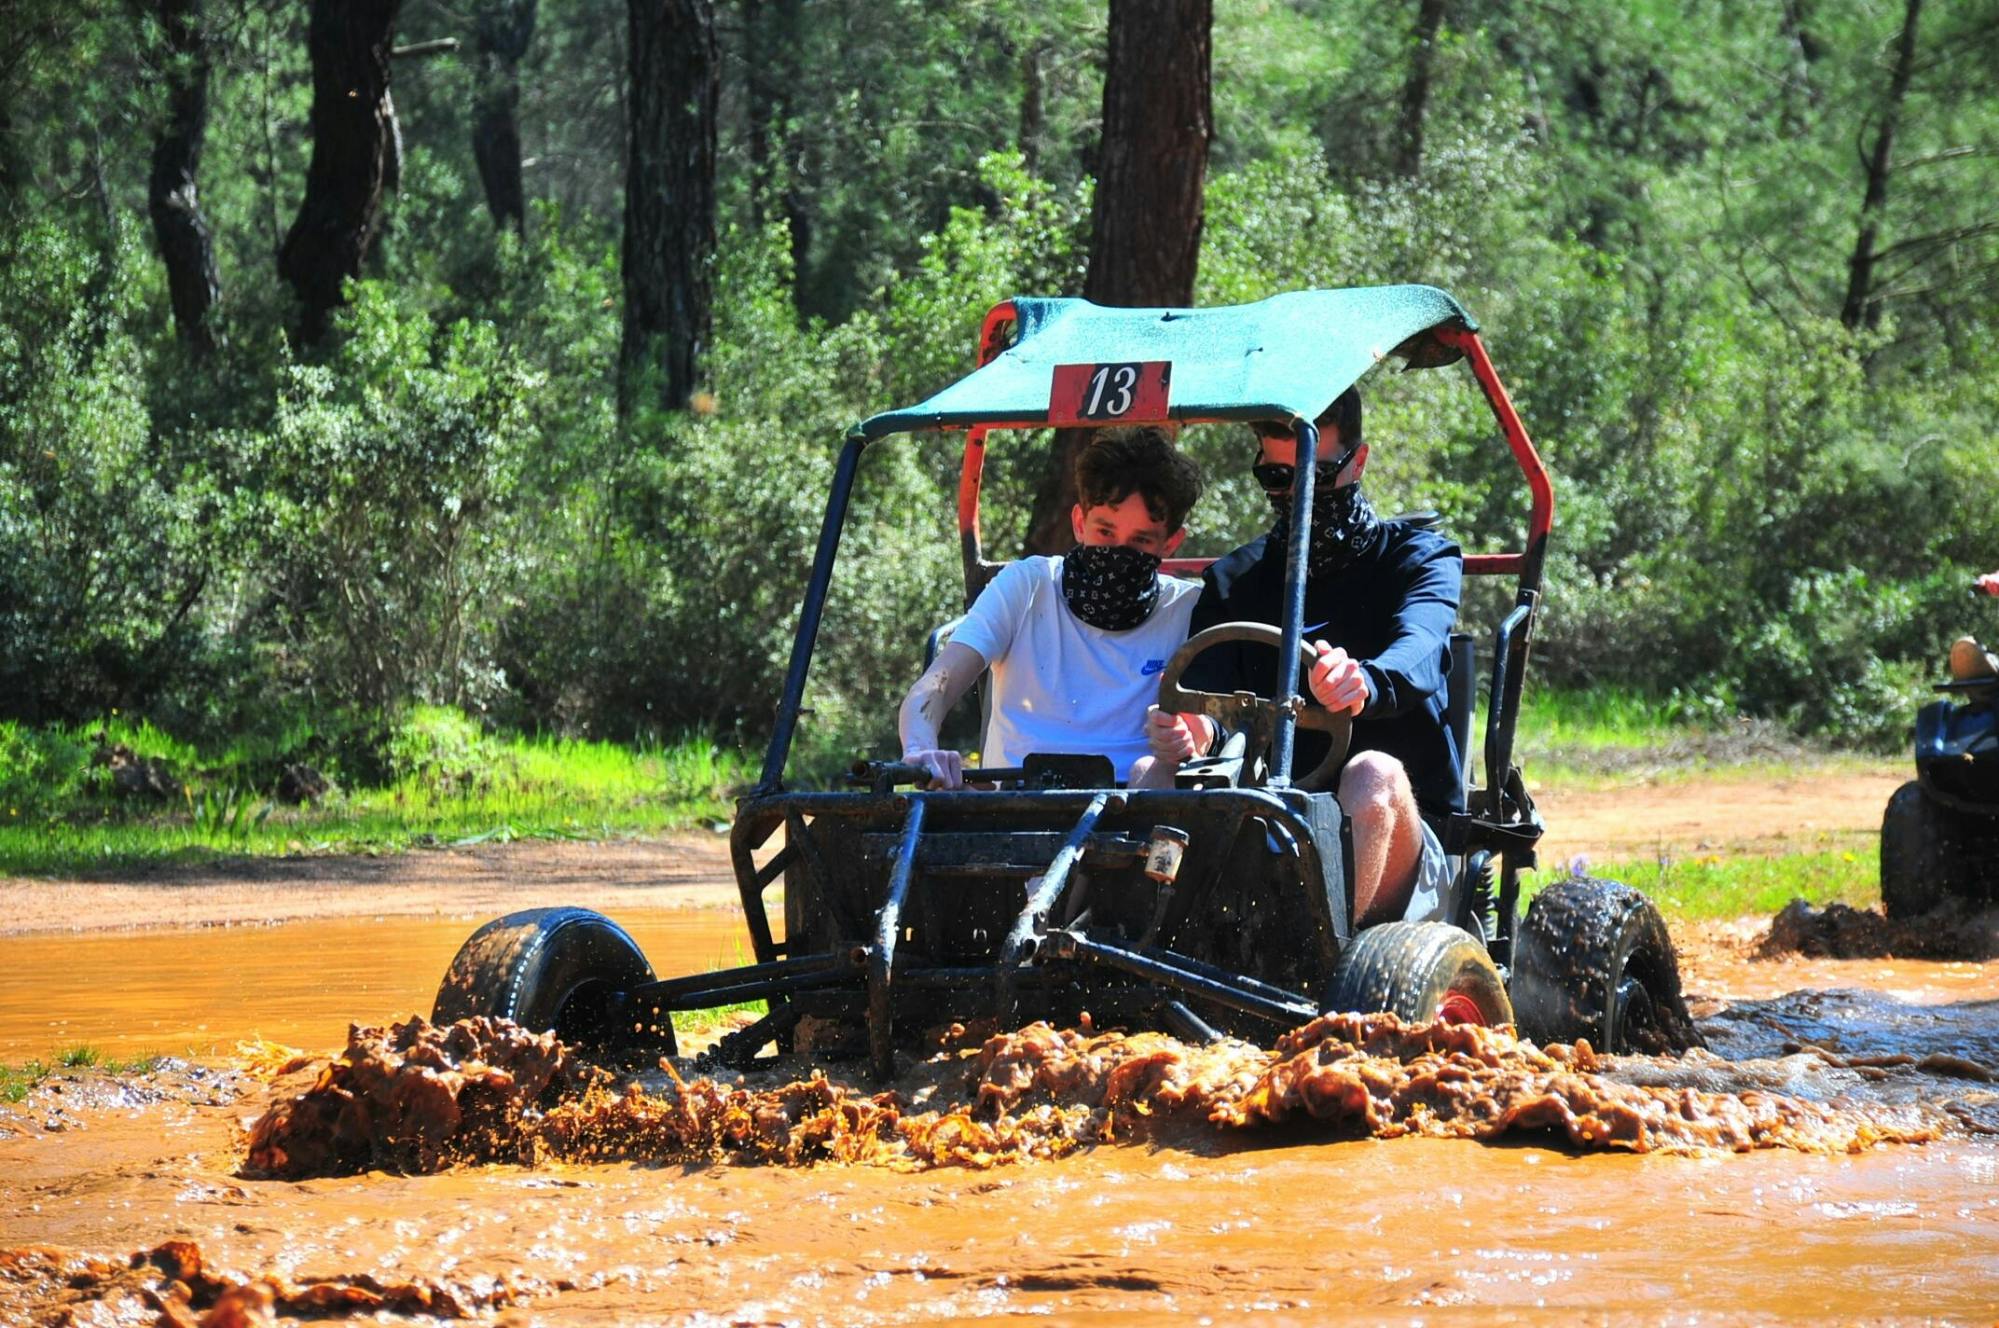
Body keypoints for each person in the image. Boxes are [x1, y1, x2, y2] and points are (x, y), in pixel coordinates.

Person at [1150, 386, 1461, 927]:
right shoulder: (1234, 580)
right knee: (1150, 771)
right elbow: (1207, 698)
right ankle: (1128, 958)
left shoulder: (1419, 558)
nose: (1295, 494)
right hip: (1267, 825)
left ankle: (1329, 968)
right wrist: (1194, 732)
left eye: (1314, 476)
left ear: (1357, 462)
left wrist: (1365, 680)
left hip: (1399, 834)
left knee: (1372, 773)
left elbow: (1422, 647)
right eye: (1277, 478)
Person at [898, 425, 1205, 790]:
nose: (1118, 552)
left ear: (1170, 544)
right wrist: (920, 749)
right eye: (1105, 532)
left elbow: (1213, 732)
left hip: (1132, 817)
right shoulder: (1028, 586)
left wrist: (1191, 737)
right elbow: (937, 683)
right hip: (1013, 812)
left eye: (1140, 540)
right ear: (1079, 523)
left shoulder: (1187, 610)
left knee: (1151, 776)